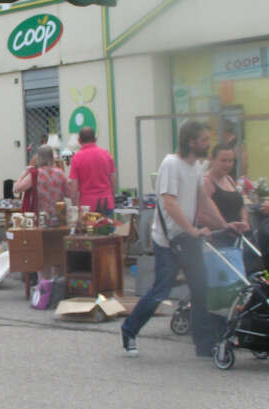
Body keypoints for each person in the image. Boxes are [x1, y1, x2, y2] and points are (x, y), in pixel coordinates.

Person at [121, 121, 246, 359]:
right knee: (160, 291)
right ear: (191, 142)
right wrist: (192, 229)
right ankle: (129, 330)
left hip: (188, 237)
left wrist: (223, 224)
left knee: (200, 290)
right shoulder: (171, 164)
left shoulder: (196, 166)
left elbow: (203, 198)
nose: (208, 145)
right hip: (168, 240)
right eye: (204, 141)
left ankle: (204, 345)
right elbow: (169, 202)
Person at [202, 144, 249, 245]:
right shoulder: (206, 182)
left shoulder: (229, 179)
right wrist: (224, 226)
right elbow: (200, 214)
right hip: (217, 237)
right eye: (223, 161)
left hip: (236, 235)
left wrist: (244, 221)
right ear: (212, 160)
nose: (228, 164)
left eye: (230, 161)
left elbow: (240, 204)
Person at [69, 127, 117, 215]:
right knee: (106, 228)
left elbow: (74, 187)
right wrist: (111, 197)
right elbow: (113, 181)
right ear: (95, 139)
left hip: (87, 205)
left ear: (79, 141)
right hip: (106, 202)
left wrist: (74, 206)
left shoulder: (76, 158)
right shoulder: (106, 155)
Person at [14, 145, 68, 220]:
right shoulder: (59, 173)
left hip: (40, 215)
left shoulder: (36, 174)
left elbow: (17, 189)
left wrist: (24, 174)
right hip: (57, 213)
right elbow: (68, 193)